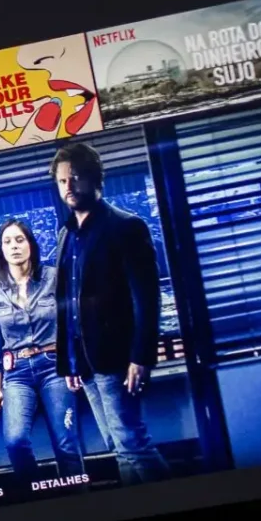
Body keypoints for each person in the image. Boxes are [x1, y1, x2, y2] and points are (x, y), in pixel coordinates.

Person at [49, 141, 170, 484]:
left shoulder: (125, 226)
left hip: (116, 356)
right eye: (62, 181)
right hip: (85, 360)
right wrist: (69, 361)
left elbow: (147, 297)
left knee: (133, 443)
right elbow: (67, 301)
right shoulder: (66, 234)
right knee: (116, 446)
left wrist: (141, 357)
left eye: (75, 178)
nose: (69, 186)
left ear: (95, 178)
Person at [0, 219, 85, 482]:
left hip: (55, 366)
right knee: (15, 441)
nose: (14, 246)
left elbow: (73, 322)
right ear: (0, 249)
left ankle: (78, 499)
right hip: (16, 372)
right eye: (7, 242)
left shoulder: (54, 277)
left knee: (66, 444)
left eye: (20, 240)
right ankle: (36, 494)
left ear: (30, 244)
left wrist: (75, 364)